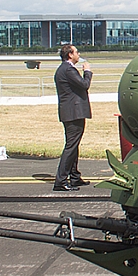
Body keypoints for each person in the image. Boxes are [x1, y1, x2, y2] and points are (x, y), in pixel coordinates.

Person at [54, 44, 92, 191]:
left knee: (74, 145)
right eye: (76, 52)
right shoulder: (68, 69)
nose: (78, 54)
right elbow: (84, 84)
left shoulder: (64, 69)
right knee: (71, 146)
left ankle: (74, 177)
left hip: (71, 112)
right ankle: (61, 180)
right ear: (70, 55)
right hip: (73, 113)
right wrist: (87, 72)